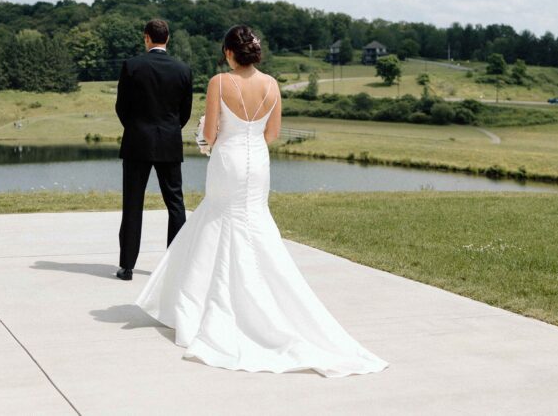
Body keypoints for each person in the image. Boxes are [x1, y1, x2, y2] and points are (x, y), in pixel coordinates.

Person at [135, 25, 388, 377]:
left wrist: (208, 136)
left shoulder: (219, 83)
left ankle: (209, 306)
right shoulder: (272, 85)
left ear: (228, 53)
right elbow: (271, 134)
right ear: (254, 52)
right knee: (254, 224)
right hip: (258, 163)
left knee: (217, 223)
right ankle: (263, 303)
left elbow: (208, 135)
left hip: (228, 161)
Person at [114, 19, 193, 281]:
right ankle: (176, 265)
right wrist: (169, 129)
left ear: (146, 37)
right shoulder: (183, 69)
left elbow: (121, 107)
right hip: (169, 141)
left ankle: (127, 267)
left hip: (137, 141)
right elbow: (185, 112)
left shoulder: (132, 66)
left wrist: (137, 127)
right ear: (167, 38)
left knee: (133, 203)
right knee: (175, 204)